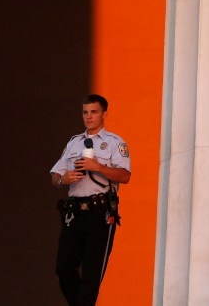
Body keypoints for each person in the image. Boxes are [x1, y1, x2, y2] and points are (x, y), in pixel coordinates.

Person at [49, 94, 131, 306]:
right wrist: (62, 180)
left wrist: (99, 167)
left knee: (92, 274)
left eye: (94, 112)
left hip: (100, 212)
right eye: (85, 112)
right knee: (64, 267)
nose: (89, 116)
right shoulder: (74, 142)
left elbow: (125, 176)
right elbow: (55, 175)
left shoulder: (114, 143)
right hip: (74, 212)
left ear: (104, 114)